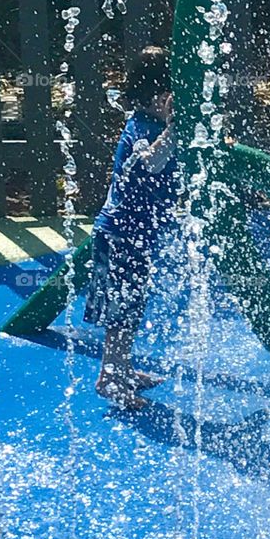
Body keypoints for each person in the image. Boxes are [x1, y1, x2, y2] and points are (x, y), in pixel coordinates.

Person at [84, 46, 179, 410]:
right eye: (167, 97)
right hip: (121, 236)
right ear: (152, 96)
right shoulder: (142, 128)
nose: (171, 104)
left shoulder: (155, 124)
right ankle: (110, 378)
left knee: (131, 306)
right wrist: (172, 130)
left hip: (137, 235)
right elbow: (150, 163)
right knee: (122, 311)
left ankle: (122, 369)